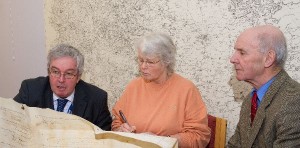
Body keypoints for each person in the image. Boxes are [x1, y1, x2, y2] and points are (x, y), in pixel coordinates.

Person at [111, 33, 211, 147]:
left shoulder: (186, 90)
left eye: (150, 62)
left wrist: (162, 141)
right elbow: (117, 121)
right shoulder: (134, 86)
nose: (143, 66)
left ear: (166, 61)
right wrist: (121, 129)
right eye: (140, 60)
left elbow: (199, 136)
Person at [228, 25, 300, 147]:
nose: (232, 59)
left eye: (242, 52)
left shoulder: (294, 101)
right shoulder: (251, 100)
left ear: (268, 58)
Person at [13, 44, 112, 131]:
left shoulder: (97, 99)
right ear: (49, 72)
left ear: (78, 77)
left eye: (68, 73)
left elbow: (104, 140)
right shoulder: (30, 90)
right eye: (55, 72)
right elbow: (11, 122)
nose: (61, 79)